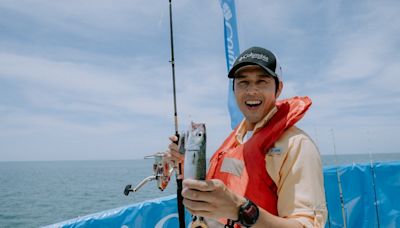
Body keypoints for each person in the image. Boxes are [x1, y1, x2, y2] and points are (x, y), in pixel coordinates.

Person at [165, 46, 327, 228]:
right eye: (243, 82)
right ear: (234, 89)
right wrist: (183, 162)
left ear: (278, 88)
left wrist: (241, 210)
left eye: (262, 81)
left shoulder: (297, 146)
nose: (251, 91)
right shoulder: (235, 140)